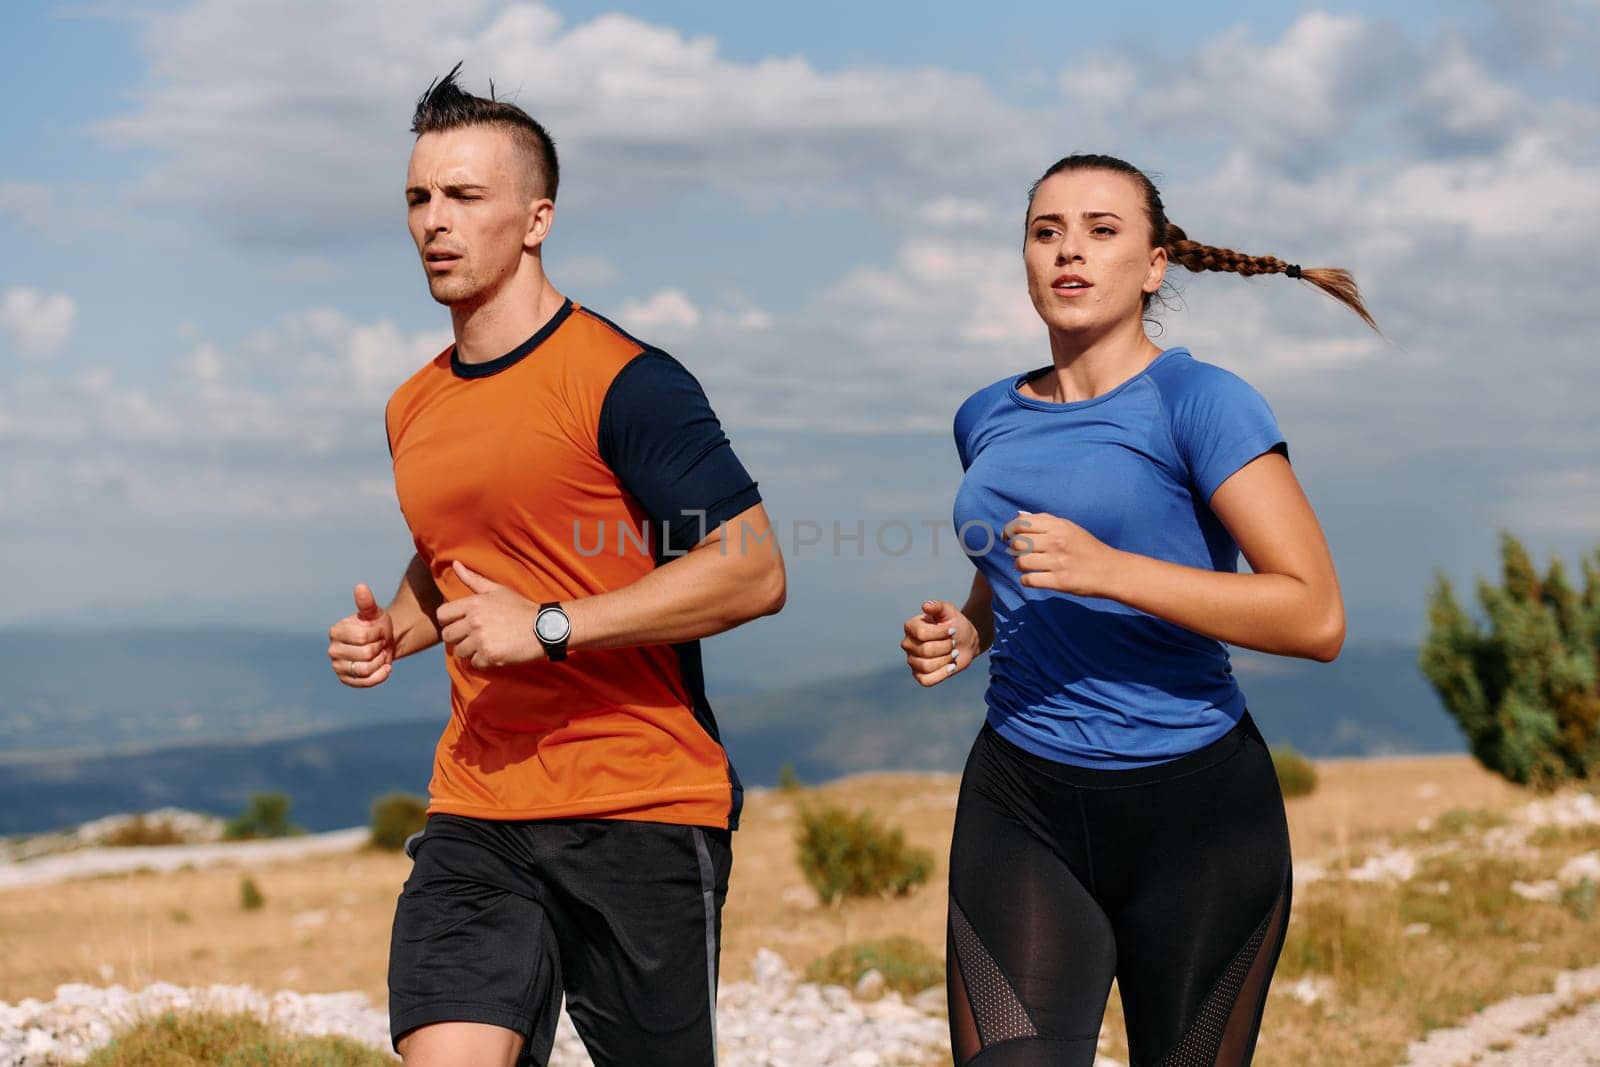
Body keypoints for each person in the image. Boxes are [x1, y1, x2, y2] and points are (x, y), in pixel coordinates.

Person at [325, 65, 785, 1067]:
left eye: (464, 196)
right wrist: (391, 631)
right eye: (418, 198)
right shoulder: (414, 404)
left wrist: (551, 625)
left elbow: (751, 568)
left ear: (535, 218)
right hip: (478, 807)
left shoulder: (627, 381)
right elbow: (458, 557)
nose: (434, 222)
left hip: (641, 802)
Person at [901, 154, 1373, 1066]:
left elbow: (1316, 616)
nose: (1069, 251)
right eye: (1047, 232)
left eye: (1101, 230)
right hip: (1020, 800)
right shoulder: (984, 415)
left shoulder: (1202, 402)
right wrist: (970, 626)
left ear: (1156, 264)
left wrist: (1113, 569)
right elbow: (1017, 567)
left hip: (1196, 816)